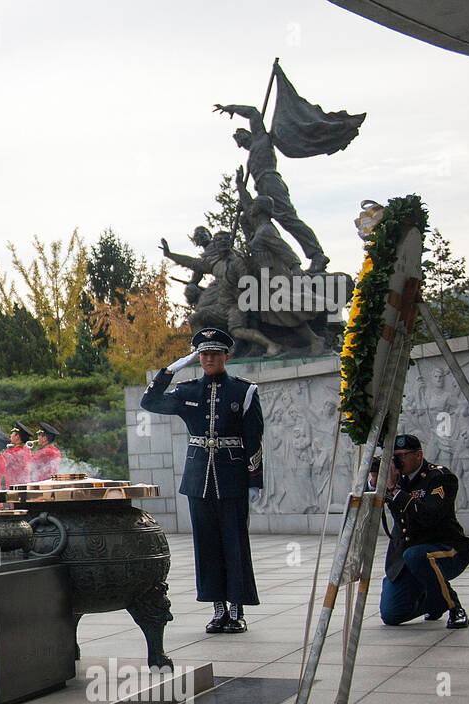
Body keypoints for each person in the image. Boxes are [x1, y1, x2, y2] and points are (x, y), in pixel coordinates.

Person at [141, 328, 263, 633]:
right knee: (206, 546)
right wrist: (169, 371)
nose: (208, 359)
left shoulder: (243, 391)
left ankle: (236, 610)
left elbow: (254, 437)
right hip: (199, 479)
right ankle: (217, 609)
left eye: (214, 354)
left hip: (232, 476)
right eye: (203, 354)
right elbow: (149, 402)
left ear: (226, 356)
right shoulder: (188, 391)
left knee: (234, 544)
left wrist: (255, 480)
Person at [214, 102, 328, 273]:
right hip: (262, 186)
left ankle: (317, 255)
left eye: (241, 137)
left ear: (248, 133)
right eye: (239, 142)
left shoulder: (261, 138)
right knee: (249, 219)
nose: (241, 143)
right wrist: (243, 195)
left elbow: (253, 112)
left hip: (270, 180)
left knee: (288, 219)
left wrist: (231, 108)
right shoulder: (251, 156)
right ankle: (268, 263)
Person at [377, 434, 469, 629]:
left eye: (402, 456)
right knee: (392, 614)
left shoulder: (440, 478)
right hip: (407, 558)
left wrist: (395, 491)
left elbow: (429, 516)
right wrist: (374, 482)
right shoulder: (396, 480)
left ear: (418, 455)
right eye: (393, 457)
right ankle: (436, 602)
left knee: (417, 555)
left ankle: (455, 608)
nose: (397, 462)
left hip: (446, 549)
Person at [4, 421, 34, 486]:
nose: (10, 435)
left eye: (12, 433)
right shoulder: (27, 450)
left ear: (17, 436)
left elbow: (1, 464)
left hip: (14, 487)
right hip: (25, 484)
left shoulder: (11, 452)